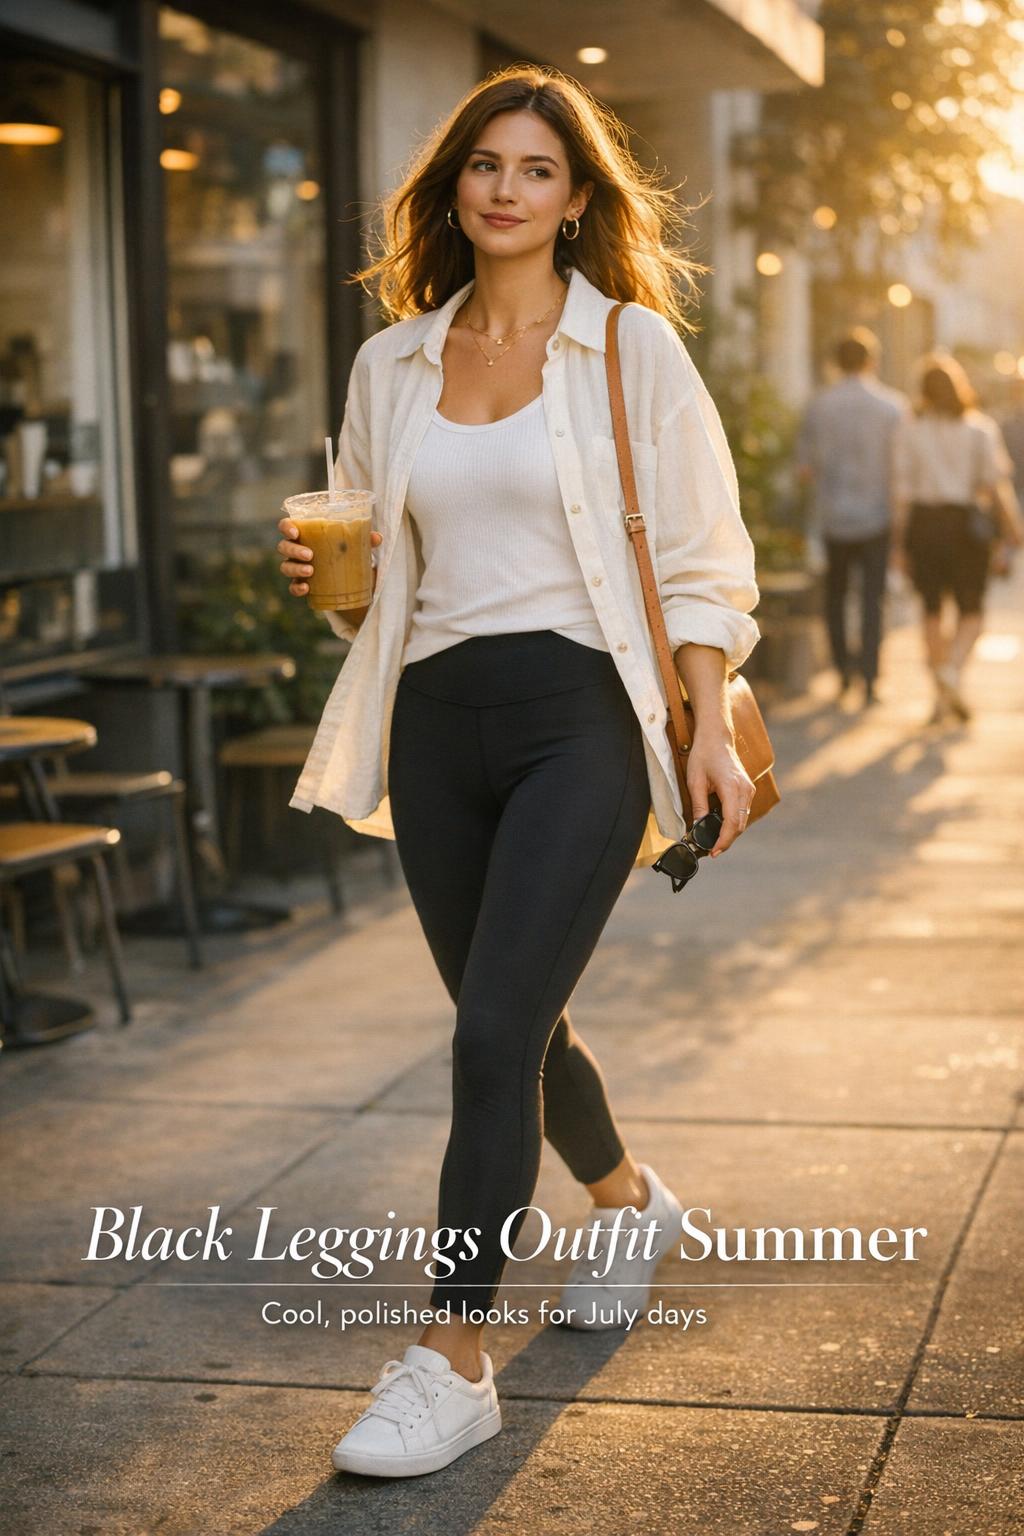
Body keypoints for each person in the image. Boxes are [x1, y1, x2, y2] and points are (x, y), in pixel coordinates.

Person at [277, 66, 761, 1479]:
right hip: (435, 722)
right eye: (485, 164)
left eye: (536, 169)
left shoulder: (628, 350)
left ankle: (451, 1358)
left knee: (489, 1034)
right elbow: (382, 587)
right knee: (518, 1025)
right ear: (454, 188)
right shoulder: (392, 366)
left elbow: (701, 557)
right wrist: (327, 582)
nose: (505, 188)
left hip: (578, 720)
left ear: (575, 199)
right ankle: (629, 1199)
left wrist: (707, 725)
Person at [891, 353, 1024, 724]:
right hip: (965, 526)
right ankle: (952, 670)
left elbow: (901, 494)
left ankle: (941, 698)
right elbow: (995, 485)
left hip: (923, 525)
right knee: (972, 611)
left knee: (931, 610)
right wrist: (1013, 528)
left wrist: (898, 545)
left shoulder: (910, 430)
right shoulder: (979, 428)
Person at [796, 328, 908, 707]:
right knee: (873, 599)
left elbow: (805, 469)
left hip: (833, 517)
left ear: (836, 362)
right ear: (872, 360)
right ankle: (871, 678)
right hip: (877, 517)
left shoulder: (818, 406)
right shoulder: (892, 407)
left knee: (835, 596)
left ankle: (843, 671)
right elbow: (900, 472)